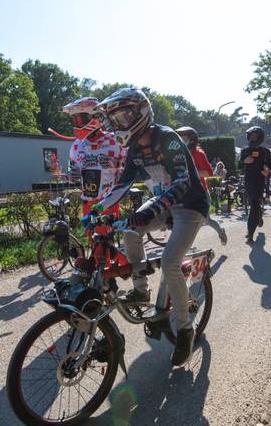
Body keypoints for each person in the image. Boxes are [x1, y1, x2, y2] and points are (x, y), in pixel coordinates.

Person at [89, 88, 209, 366]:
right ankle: (141, 289)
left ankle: (185, 329)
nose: (118, 123)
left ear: (140, 112)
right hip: (165, 202)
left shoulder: (168, 138)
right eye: (114, 119)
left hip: (192, 204)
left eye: (123, 115)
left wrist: (154, 209)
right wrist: (98, 208)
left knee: (169, 263)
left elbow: (182, 181)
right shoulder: (134, 148)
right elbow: (122, 184)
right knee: (130, 232)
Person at [64, 97, 125, 226]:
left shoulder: (115, 141)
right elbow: (71, 167)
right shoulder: (76, 145)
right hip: (87, 202)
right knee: (93, 242)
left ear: (95, 117)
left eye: (80, 119)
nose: (77, 124)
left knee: (106, 241)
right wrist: (70, 174)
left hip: (108, 202)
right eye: (74, 120)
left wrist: (116, 164)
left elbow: (131, 167)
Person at [176, 126, 227, 245]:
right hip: (184, 192)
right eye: (179, 137)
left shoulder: (198, 154)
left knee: (207, 220)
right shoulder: (177, 154)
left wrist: (190, 173)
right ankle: (182, 247)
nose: (180, 140)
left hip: (200, 193)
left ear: (191, 139)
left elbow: (208, 173)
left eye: (183, 137)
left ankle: (221, 232)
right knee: (181, 220)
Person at [239, 126, 271, 244]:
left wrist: (269, 169)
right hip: (249, 181)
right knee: (254, 204)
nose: (251, 137)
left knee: (256, 204)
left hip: (260, 181)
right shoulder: (244, 151)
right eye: (250, 135)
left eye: (254, 135)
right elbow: (238, 166)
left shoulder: (265, 151)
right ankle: (250, 233)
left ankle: (258, 217)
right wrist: (244, 161)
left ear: (259, 137)